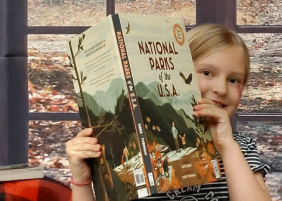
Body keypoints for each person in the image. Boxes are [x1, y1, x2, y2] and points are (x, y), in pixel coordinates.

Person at [65, 23, 271, 201]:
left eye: (234, 80)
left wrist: (226, 146)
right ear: (177, 74)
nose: (221, 89)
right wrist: (81, 180)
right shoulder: (137, 149)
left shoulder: (240, 148)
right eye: (207, 73)